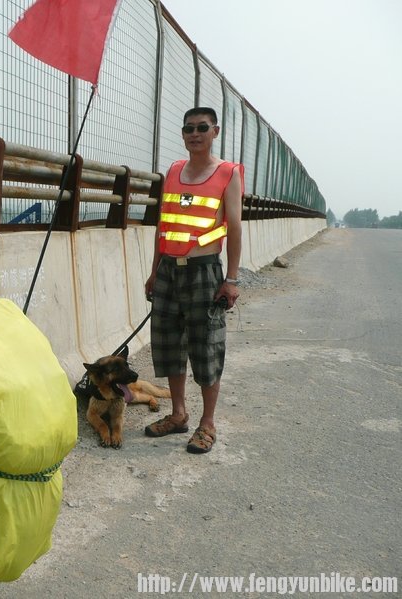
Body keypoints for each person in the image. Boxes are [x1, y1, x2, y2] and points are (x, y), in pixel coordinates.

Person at [143, 107, 243, 454]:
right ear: (183, 133)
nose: (195, 134)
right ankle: (178, 414)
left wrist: (231, 279)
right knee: (170, 344)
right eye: (189, 128)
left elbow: (234, 228)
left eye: (202, 127)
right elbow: (164, 225)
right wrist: (155, 270)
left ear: (215, 131)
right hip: (169, 271)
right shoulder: (173, 171)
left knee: (206, 346)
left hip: (203, 271)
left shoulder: (228, 173)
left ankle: (208, 423)